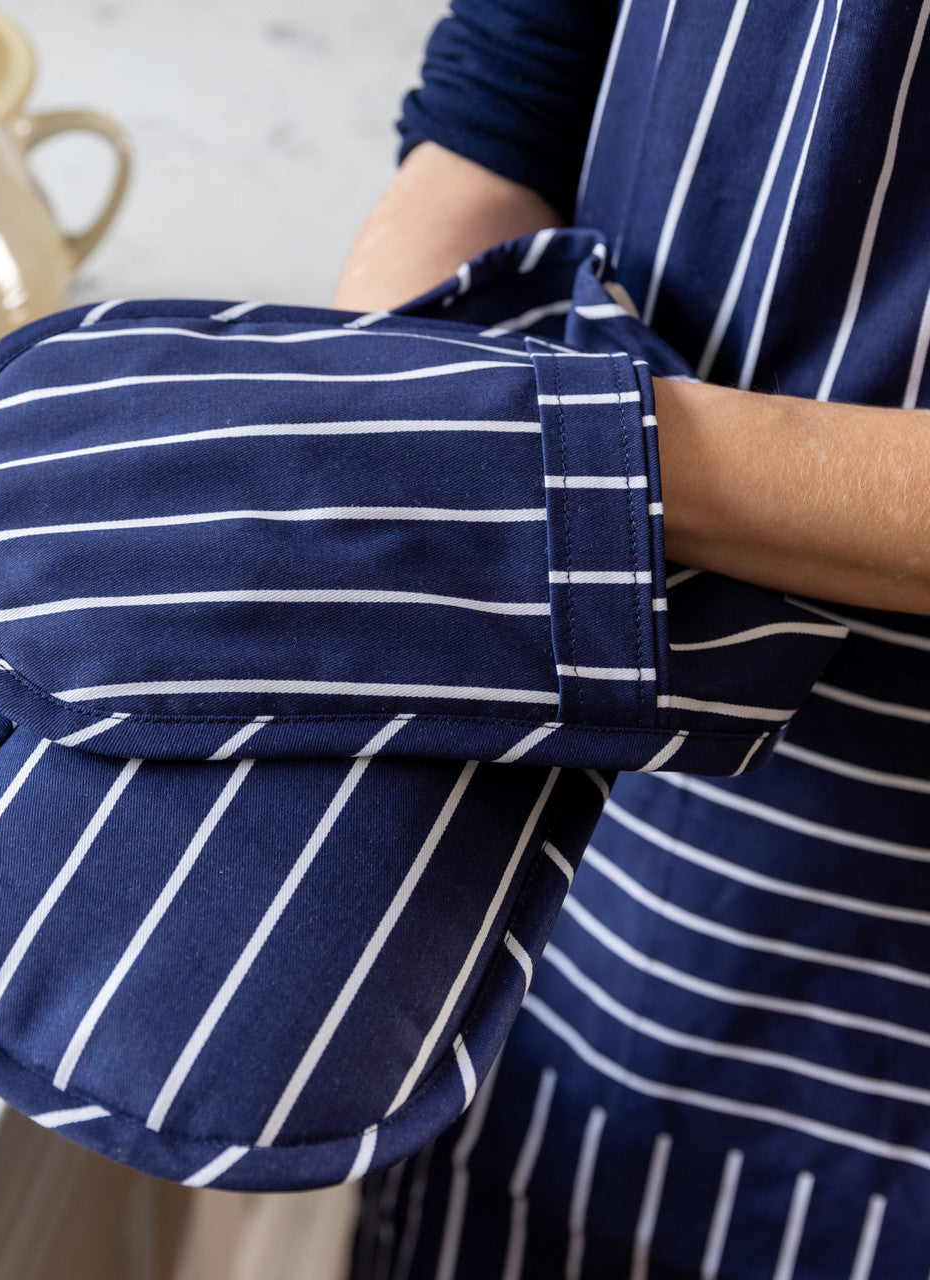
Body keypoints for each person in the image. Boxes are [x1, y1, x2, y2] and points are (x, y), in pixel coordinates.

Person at [334, 2, 930, 1277]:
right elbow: (515, 82)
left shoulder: (563, 455)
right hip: (565, 852)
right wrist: (396, 404)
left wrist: (569, 457)